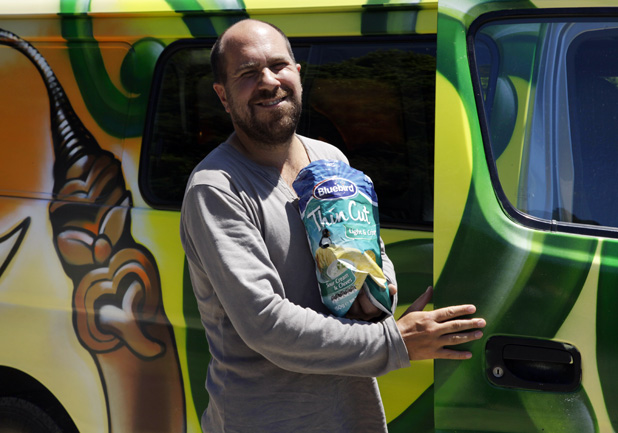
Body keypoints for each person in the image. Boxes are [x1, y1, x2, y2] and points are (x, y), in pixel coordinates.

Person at [180, 19, 486, 433]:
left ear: (297, 74)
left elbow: (370, 252)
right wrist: (395, 342)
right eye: (248, 74)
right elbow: (266, 324)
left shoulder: (329, 160)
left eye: (278, 66)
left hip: (351, 416)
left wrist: (376, 294)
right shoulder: (216, 188)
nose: (268, 81)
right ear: (223, 96)